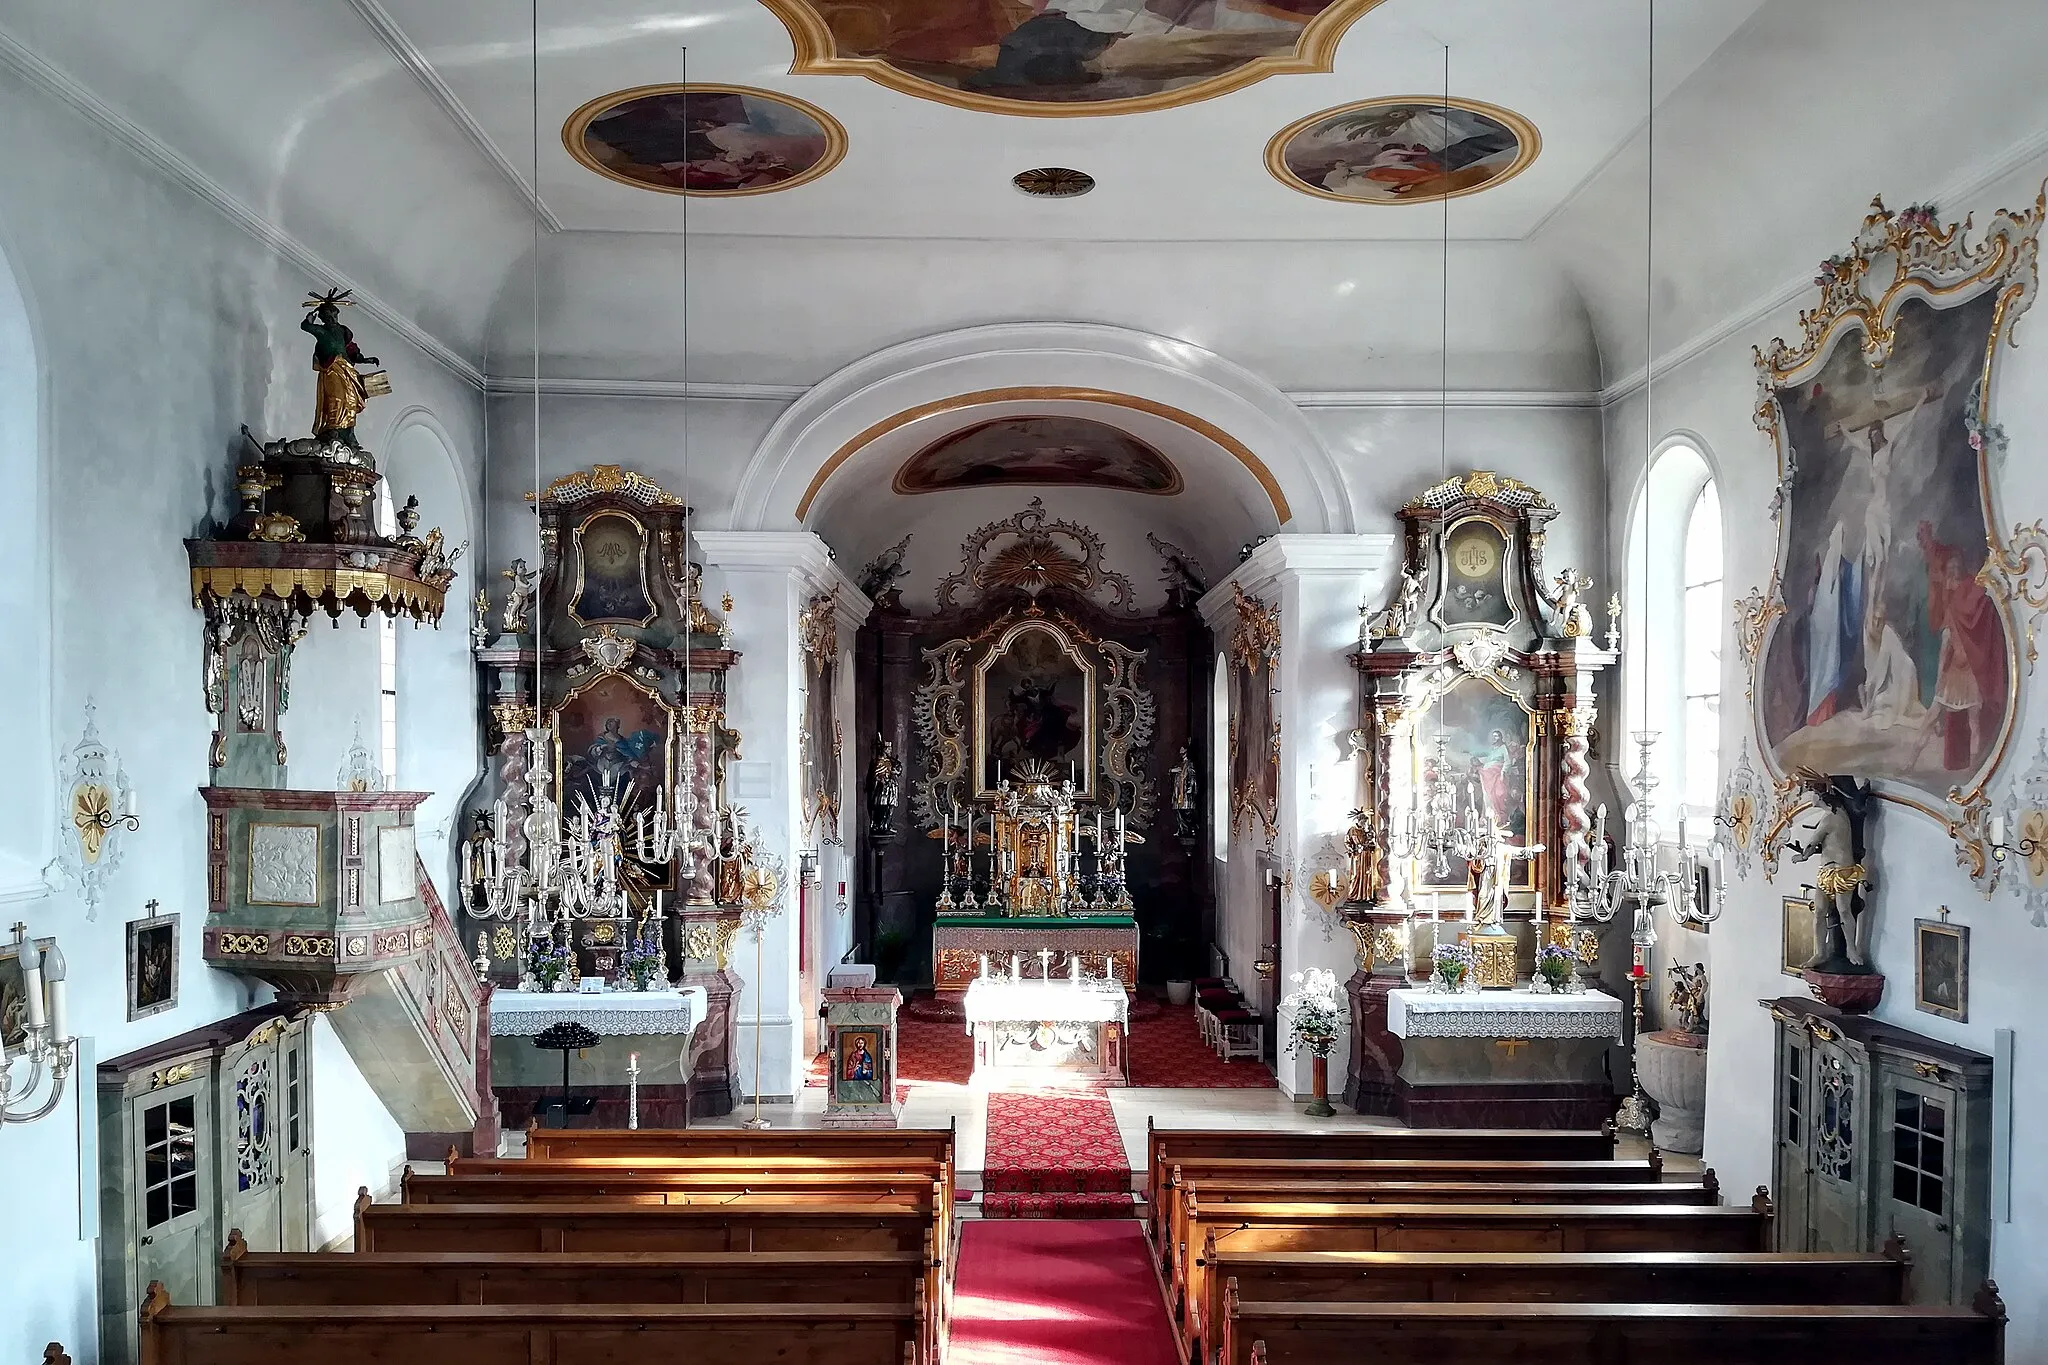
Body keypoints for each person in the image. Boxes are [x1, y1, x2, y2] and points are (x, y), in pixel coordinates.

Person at [300, 292, 380, 448]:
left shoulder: (343, 331)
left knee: (350, 401)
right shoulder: (322, 332)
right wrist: (309, 319)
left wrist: (365, 359)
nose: (332, 319)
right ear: (323, 318)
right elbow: (306, 327)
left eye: (333, 315)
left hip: (347, 369)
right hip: (331, 368)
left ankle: (348, 433)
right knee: (335, 398)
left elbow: (351, 350)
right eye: (327, 316)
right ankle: (333, 429)